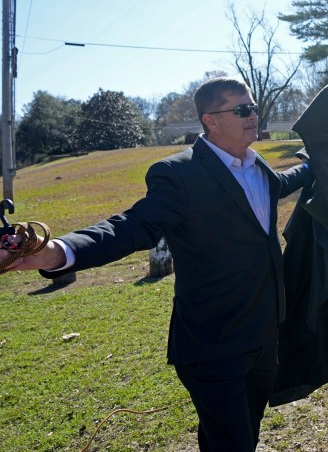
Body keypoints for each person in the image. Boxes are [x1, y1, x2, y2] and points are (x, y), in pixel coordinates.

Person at [0, 77, 312, 451]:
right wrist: (60, 251)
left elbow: (285, 181)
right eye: (242, 110)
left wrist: (321, 161)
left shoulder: (256, 166)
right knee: (233, 442)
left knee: (242, 431)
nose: (253, 116)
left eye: (253, 107)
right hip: (215, 345)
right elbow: (133, 225)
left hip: (263, 335)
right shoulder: (179, 174)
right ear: (210, 120)